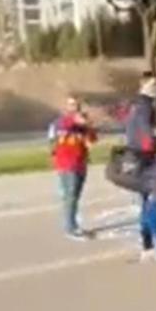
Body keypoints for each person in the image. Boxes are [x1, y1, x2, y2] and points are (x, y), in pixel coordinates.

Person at [125, 71, 156, 260]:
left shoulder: (136, 105)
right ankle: (149, 244)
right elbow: (147, 135)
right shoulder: (145, 106)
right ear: (143, 85)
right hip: (145, 158)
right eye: (153, 85)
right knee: (152, 201)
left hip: (136, 156)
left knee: (146, 200)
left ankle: (148, 244)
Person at [51, 96, 97, 241]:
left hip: (80, 164)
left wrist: (89, 127)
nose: (74, 107)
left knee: (75, 196)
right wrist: (78, 120)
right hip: (66, 164)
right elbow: (64, 125)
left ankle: (73, 224)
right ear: (66, 106)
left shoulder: (82, 125)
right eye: (71, 104)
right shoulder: (61, 122)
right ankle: (70, 228)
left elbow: (91, 141)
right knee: (70, 196)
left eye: (77, 105)